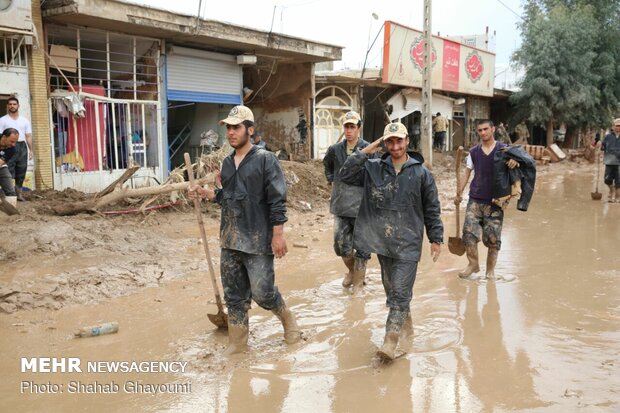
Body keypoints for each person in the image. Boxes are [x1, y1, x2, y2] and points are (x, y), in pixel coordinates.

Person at [188, 105, 301, 354]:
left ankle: (288, 319)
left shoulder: (265, 160)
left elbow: (277, 200)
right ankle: (237, 345)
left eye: (236, 127)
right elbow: (228, 196)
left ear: (249, 130)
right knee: (235, 298)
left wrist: (278, 235)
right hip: (230, 240)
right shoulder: (227, 163)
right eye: (228, 128)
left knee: (263, 293)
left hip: (258, 240)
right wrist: (206, 193)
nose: (231, 132)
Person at [340, 121, 443, 361]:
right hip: (382, 243)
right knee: (394, 292)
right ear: (384, 144)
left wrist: (435, 238)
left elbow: (432, 208)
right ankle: (407, 329)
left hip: (408, 243)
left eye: (399, 140)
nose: (395, 146)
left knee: (399, 293)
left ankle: (390, 342)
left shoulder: (421, 173)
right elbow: (345, 173)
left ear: (408, 141)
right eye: (390, 141)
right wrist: (369, 149)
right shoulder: (373, 168)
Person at [454, 120, 520, 281]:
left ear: (493, 129)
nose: (483, 133)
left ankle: (490, 271)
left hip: (495, 201)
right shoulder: (474, 152)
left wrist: (514, 162)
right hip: (475, 199)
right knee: (468, 234)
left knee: (492, 238)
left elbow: (520, 165)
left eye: (485, 129)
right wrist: (459, 192)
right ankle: (473, 264)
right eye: (480, 130)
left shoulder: (504, 150)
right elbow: (467, 173)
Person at [323, 111, 372, 291]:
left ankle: (359, 284)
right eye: (346, 127)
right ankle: (352, 271)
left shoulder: (368, 149)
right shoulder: (335, 150)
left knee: (363, 247)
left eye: (352, 127)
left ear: (358, 128)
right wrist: (331, 179)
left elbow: (375, 172)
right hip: (341, 203)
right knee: (341, 246)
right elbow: (326, 164)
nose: (349, 130)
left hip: (362, 205)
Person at [0, 97, 33, 201]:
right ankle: (7, 193)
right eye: (10, 104)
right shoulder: (2, 120)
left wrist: (31, 150)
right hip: (7, 147)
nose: (12, 106)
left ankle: (18, 194)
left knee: (21, 170)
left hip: (22, 146)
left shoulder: (24, 120)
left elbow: (28, 136)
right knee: (7, 170)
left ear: (18, 106)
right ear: (7, 106)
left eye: (14, 104)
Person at [601, 118, 620, 202]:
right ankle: (611, 190)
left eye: (619, 126)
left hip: (619, 161)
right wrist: (599, 145)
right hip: (609, 160)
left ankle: (617, 196)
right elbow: (603, 146)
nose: (618, 127)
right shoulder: (608, 136)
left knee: (618, 181)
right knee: (607, 179)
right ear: (613, 126)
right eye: (617, 126)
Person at [0, 128, 19, 197]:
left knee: (11, 192)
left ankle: (11, 205)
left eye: (15, 142)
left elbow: (1, 163)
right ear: (4, 137)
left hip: (1, 166)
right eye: (12, 141)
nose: (14, 144)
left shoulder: (12, 149)